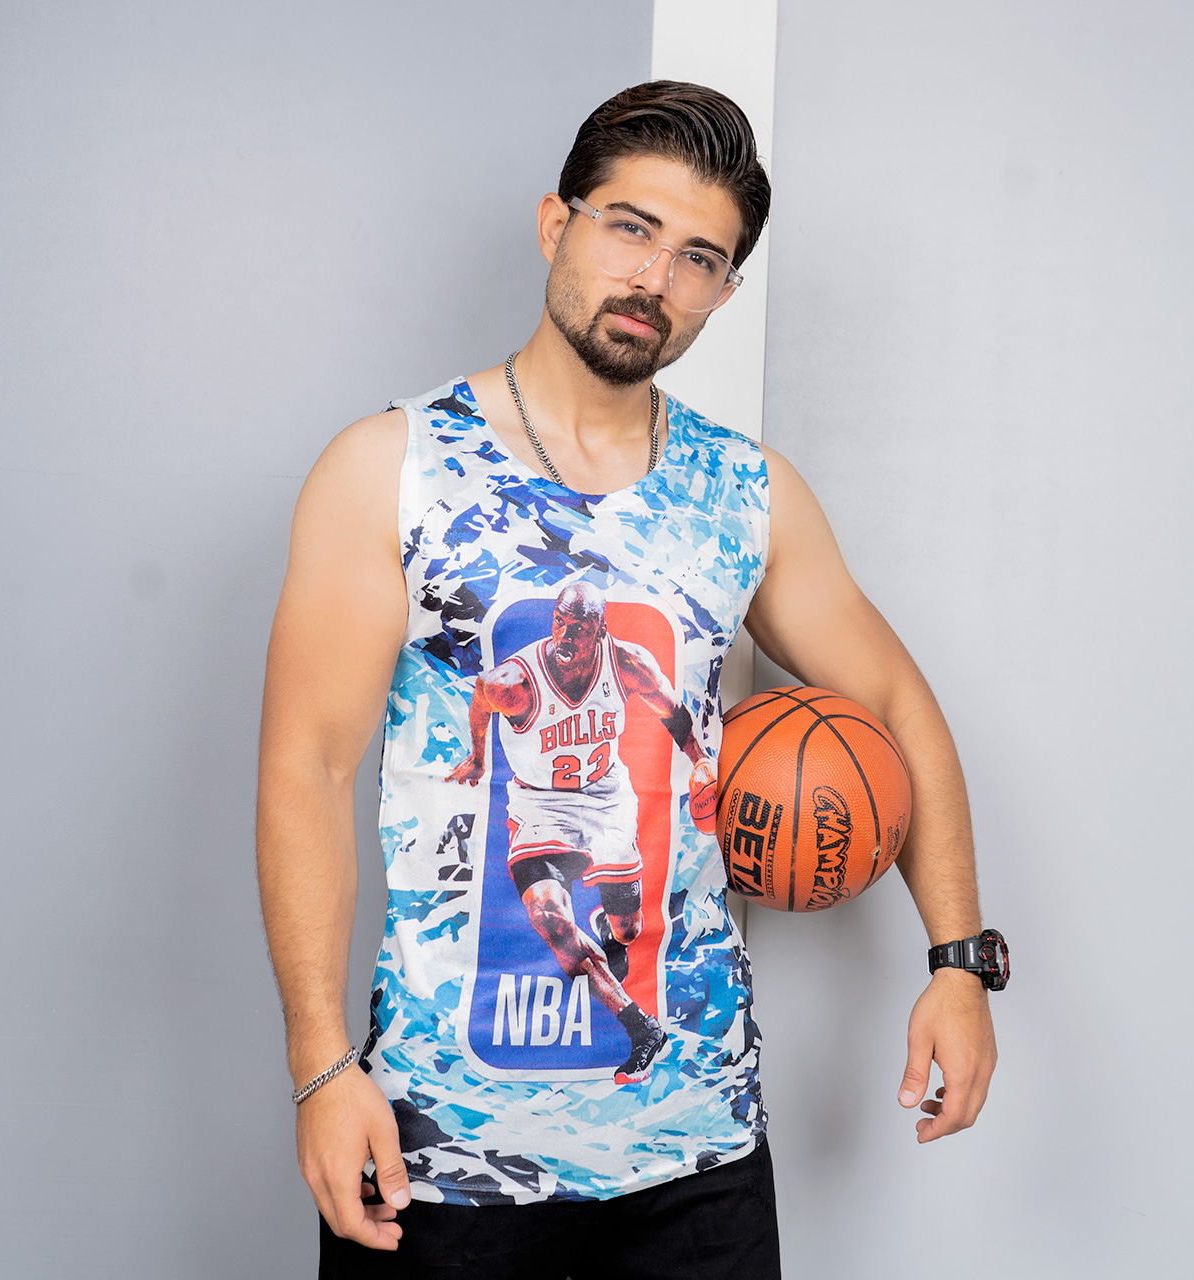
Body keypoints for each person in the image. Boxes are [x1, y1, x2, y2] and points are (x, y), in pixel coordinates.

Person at [256, 80, 999, 1279]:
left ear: (724, 291)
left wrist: (958, 961)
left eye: (698, 257)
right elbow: (309, 763)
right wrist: (320, 1064)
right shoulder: (393, 468)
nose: (654, 277)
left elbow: (896, 704)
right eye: (630, 227)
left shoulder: (744, 494)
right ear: (556, 223)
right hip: (441, 1144)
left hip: (694, 1150)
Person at [447, 578, 719, 1085]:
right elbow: (481, 699)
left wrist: (701, 761)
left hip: (606, 799)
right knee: (549, 918)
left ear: (601, 631)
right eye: (560, 623)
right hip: (540, 805)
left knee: (629, 931)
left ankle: (606, 935)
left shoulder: (627, 663)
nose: (566, 637)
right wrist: (478, 756)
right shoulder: (515, 682)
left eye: (579, 628)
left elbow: (673, 712)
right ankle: (641, 1028)